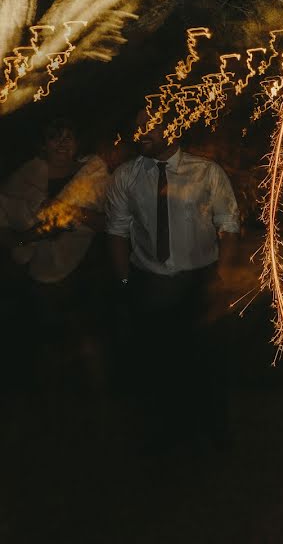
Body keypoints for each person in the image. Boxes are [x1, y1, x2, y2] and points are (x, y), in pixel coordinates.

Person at [105, 109, 240, 451]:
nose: (140, 134)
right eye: (136, 127)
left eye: (148, 126)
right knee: (160, 363)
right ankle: (167, 436)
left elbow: (228, 225)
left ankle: (215, 431)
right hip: (150, 281)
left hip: (199, 280)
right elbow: (117, 231)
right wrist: (125, 283)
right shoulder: (126, 176)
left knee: (206, 361)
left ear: (174, 128)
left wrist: (220, 278)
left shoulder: (206, 172)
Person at [0, 118, 110, 394]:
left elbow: (109, 222)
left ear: (78, 143)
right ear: (42, 144)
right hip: (34, 271)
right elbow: (4, 219)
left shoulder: (93, 175)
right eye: (54, 137)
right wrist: (22, 240)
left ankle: (98, 401)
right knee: (45, 340)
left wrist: (69, 211)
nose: (62, 143)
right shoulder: (24, 178)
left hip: (85, 265)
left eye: (69, 137)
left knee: (87, 336)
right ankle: (48, 404)